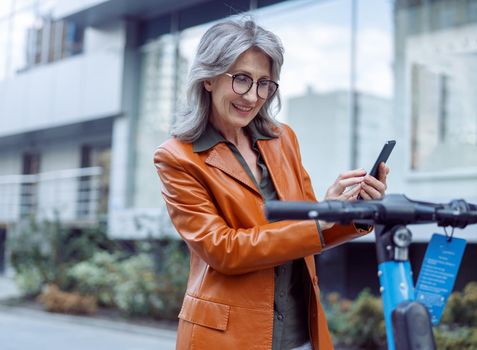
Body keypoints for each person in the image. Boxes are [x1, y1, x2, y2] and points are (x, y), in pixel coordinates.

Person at [154, 18, 389, 350]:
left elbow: (311, 233)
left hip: (298, 331)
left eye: (265, 83)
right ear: (208, 79)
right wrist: (319, 221)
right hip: (225, 338)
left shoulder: (283, 139)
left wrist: (349, 210)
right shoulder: (177, 157)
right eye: (242, 80)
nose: (253, 96)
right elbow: (223, 250)